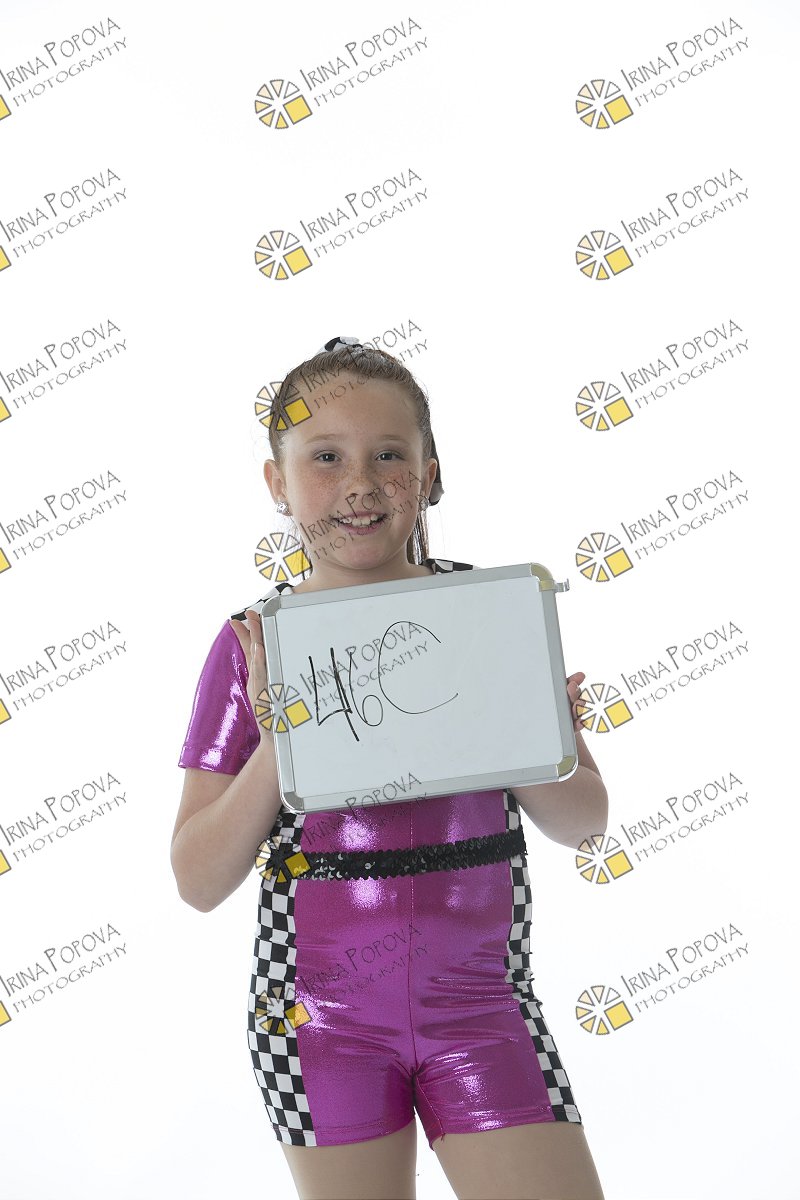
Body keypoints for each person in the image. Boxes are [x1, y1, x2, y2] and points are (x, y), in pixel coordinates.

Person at [171, 337, 608, 1200]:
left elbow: (584, 820)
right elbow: (197, 878)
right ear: (278, 482)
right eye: (326, 457)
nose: (361, 483)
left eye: (389, 455)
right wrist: (281, 739)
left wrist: (523, 726)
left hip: (485, 1007)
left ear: (429, 475)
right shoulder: (252, 643)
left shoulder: (492, 615)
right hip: (315, 1022)